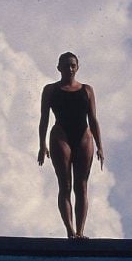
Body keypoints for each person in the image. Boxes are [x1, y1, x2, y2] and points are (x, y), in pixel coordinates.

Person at [38, 52, 104, 238]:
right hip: (61, 135)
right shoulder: (50, 90)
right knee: (65, 185)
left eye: (73, 65)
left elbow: (93, 119)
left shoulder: (87, 90)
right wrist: (42, 144)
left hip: (83, 136)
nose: (70, 69)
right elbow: (44, 119)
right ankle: (70, 231)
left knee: (81, 186)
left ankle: (80, 232)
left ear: (77, 67)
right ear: (58, 68)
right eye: (66, 65)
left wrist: (100, 146)